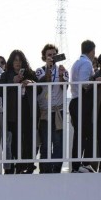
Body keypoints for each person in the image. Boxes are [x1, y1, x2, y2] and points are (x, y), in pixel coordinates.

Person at [1, 50, 37, 174]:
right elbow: (0, 91)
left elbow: (40, 89)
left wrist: (31, 83)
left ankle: (26, 166)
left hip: (27, 112)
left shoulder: (29, 74)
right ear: (11, 61)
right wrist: (13, 82)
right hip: (12, 114)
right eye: (15, 60)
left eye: (20, 60)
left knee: (27, 140)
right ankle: (10, 168)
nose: (18, 62)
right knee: (12, 142)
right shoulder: (6, 75)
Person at [34, 44, 68, 174]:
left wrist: (60, 76)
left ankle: (56, 170)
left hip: (58, 111)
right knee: (46, 142)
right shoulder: (39, 70)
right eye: (49, 55)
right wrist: (49, 68)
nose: (52, 57)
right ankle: (45, 171)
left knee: (58, 142)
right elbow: (45, 82)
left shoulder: (62, 70)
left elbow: (64, 88)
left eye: (54, 55)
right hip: (45, 112)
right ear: (44, 57)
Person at [69, 40, 98, 173]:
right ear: (92, 51)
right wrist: (95, 81)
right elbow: (84, 83)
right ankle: (83, 164)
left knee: (79, 134)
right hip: (82, 102)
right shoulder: (86, 63)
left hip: (76, 101)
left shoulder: (77, 62)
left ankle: (77, 165)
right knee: (87, 134)